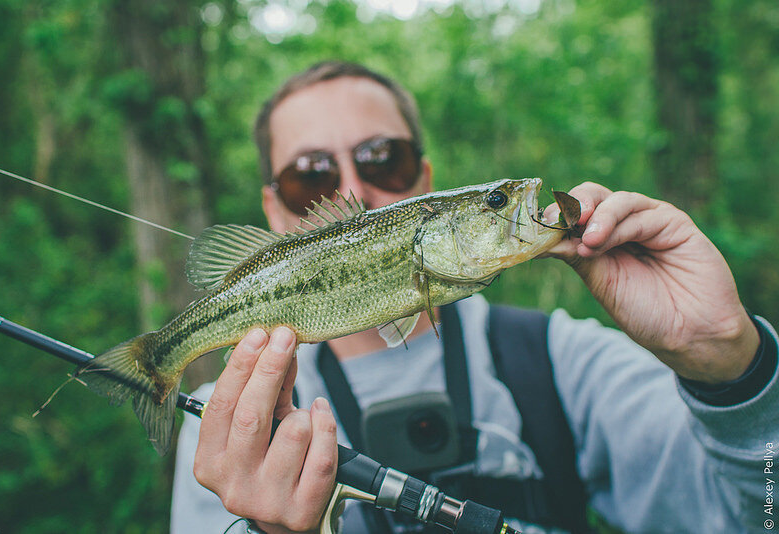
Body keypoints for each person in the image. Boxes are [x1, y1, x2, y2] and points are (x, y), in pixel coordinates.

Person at [170, 61, 778, 534]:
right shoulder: (224, 420)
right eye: (311, 175)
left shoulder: (562, 362)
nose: (354, 187)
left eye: (385, 157)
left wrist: (730, 368)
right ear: (275, 211)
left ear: (425, 184)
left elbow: (763, 515)